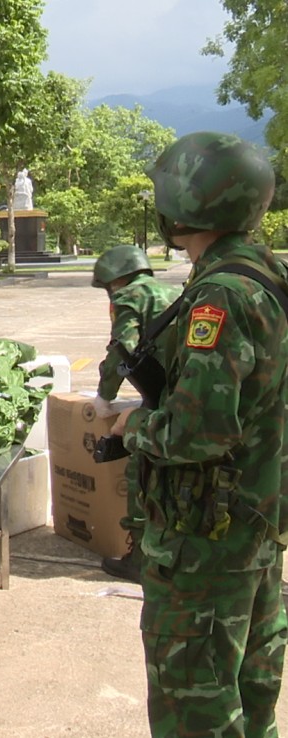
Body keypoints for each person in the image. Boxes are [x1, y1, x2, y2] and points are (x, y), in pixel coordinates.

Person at [109, 131, 288, 738]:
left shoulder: (220, 296)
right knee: (251, 690)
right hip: (257, 523)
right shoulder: (269, 279)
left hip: (206, 539)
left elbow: (199, 430)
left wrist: (137, 428)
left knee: (197, 704)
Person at [89, 245, 180, 583]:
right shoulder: (171, 291)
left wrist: (104, 395)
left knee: (139, 472)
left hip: (158, 400)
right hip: (182, 389)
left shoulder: (129, 297)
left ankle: (139, 558)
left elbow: (122, 350)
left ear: (116, 279)